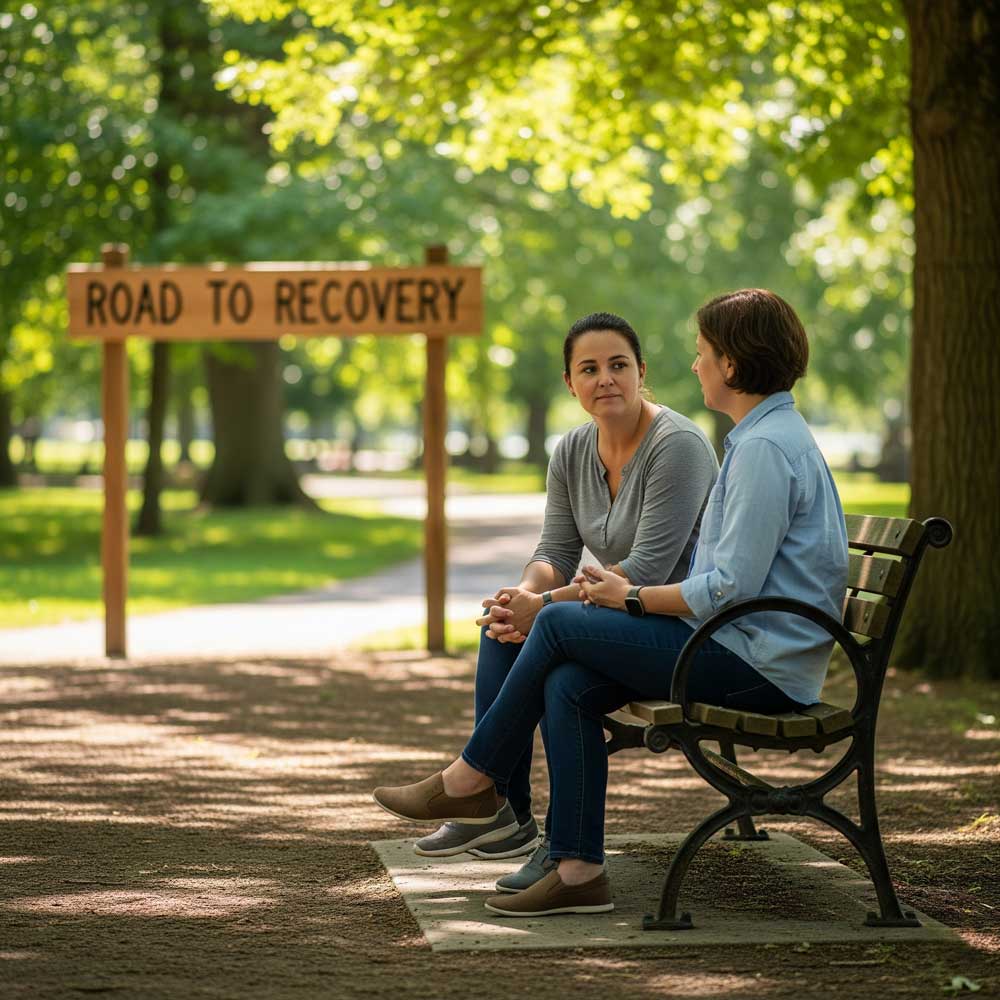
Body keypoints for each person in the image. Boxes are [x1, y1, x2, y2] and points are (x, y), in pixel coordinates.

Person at [375, 289, 850, 917]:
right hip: (733, 643)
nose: (696, 365)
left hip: (757, 662)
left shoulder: (761, 449)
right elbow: (712, 580)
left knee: (557, 625)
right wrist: (549, 594)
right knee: (566, 675)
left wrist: (629, 597)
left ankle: (474, 781)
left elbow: (728, 586)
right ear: (570, 382)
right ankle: (576, 869)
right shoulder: (758, 438)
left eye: (703, 353)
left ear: (732, 364)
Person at [412, 311, 718, 880]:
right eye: (590, 368)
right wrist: (523, 594)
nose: (606, 378)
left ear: (641, 372)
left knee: (541, 629)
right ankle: (508, 815)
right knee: (504, 621)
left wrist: (543, 607)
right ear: (570, 384)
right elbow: (554, 550)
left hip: (676, 624)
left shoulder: (678, 447)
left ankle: (479, 788)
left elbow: (645, 569)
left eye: (618, 365)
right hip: (622, 622)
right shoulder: (572, 451)